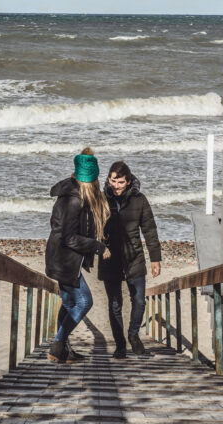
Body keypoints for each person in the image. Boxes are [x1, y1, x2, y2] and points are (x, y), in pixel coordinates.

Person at [45, 147, 111, 363]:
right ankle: (58, 344)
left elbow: (59, 228)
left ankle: (63, 349)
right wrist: (98, 246)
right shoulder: (74, 200)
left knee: (69, 303)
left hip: (61, 258)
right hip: (64, 261)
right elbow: (69, 238)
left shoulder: (72, 194)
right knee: (84, 302)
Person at [98, 161, 161, 358]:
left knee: (139, 301)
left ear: (129, 181)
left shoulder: (139, 200)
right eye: (113, 180)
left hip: (134, 256)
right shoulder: (101, 199)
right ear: (108, 179)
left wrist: (155, 259)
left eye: (120, 182)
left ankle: (133, 335)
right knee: (115, 303)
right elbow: (91, 226)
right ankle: (119, 345)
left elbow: (150, 230)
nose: (116, 185)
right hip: (110, 257)